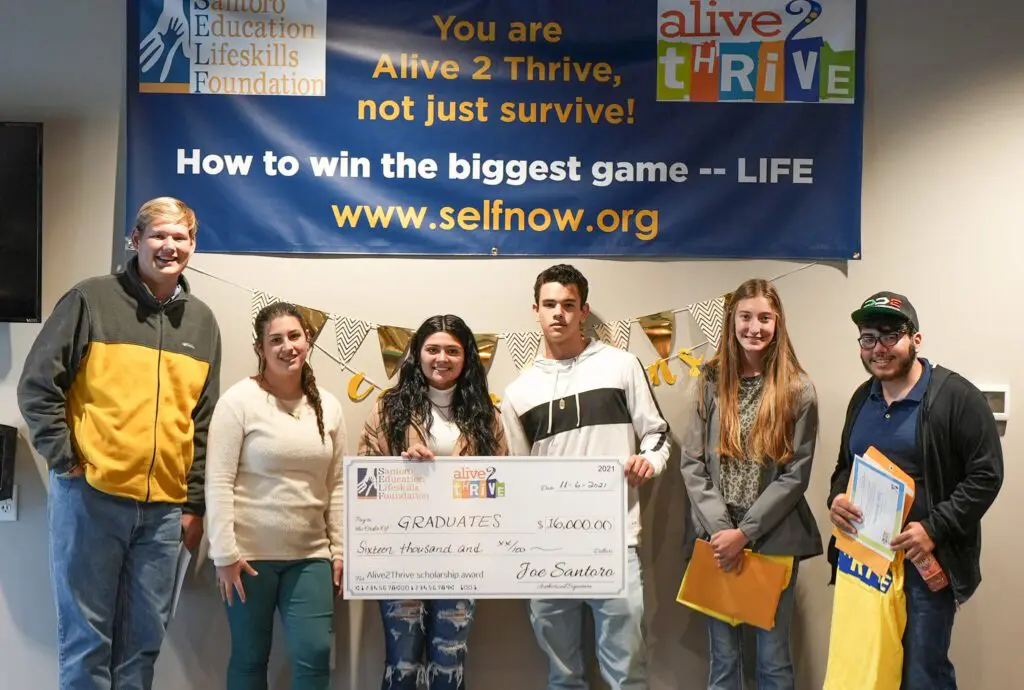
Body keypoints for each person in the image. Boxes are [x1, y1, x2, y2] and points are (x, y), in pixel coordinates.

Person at [17, 196, 221, 689]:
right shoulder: (91, 299)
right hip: (91, 497)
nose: (169, 246)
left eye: (180, 237)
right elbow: (38, 387)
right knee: (88, 642)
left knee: (143, 645)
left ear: (192, 245)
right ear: (135, 240)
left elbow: (202, 421)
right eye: (159, 235)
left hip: (164, 513)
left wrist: (193, 503)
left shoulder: (202, 322)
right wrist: (67, 460)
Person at [500, 264, 670, 690]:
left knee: (627, 671)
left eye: (569, 305)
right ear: (535, 311)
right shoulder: (518, 392)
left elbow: (658, 434)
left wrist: (649, 461)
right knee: (562, 674)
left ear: (584, 311)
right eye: (550, 304)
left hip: (613, 540)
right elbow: (517, 478)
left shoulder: (622, 365)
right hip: (546, 547)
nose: (559, 313)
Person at [827, 291, 1003, 689]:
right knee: (871, 670)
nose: (879, 348)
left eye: (890, 335)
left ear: (916, 340)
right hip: (866, 562)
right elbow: (844, 467)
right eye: (868, 338)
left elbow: (986, 475)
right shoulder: (862, 398)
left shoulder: (955, 398)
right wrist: (837, 498)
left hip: (925, 563)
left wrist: (933, 528)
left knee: (924, 674)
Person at [679, 279, 821, 690]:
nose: (754, 327)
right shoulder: (710, 379)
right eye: (745, 317)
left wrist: (746, 532)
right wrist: (724, 530)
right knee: (724, 661)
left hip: (772, 538)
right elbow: (692, 461)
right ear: (732, 321)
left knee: (773, 662)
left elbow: (796, 474)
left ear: (777, 323)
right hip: (717, 541)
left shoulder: (798, 389)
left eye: (764, 317)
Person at [358, 314, 508, 690]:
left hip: (462, 555)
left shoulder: (486, 415)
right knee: (402, 662)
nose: (442, 358)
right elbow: (364, 485)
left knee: (449, 660)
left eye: (453, 350)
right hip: (397, 554)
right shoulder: (387, 408)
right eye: (433, 349)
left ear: (467, 357)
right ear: (417, 354)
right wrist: (403, 471)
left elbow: (503, 489)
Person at [205, 301, 346, 690]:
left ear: (308, 341)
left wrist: (340, 550)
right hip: (247, 560)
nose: (288, 346)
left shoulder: (329, 407)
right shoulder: (239, 401)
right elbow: (217, 480)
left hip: (310, 557)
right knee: (250, 658)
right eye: (276, 339)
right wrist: (225, 555)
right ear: (260, 349)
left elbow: (336, 486)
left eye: (295, 336)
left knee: (316, 656)